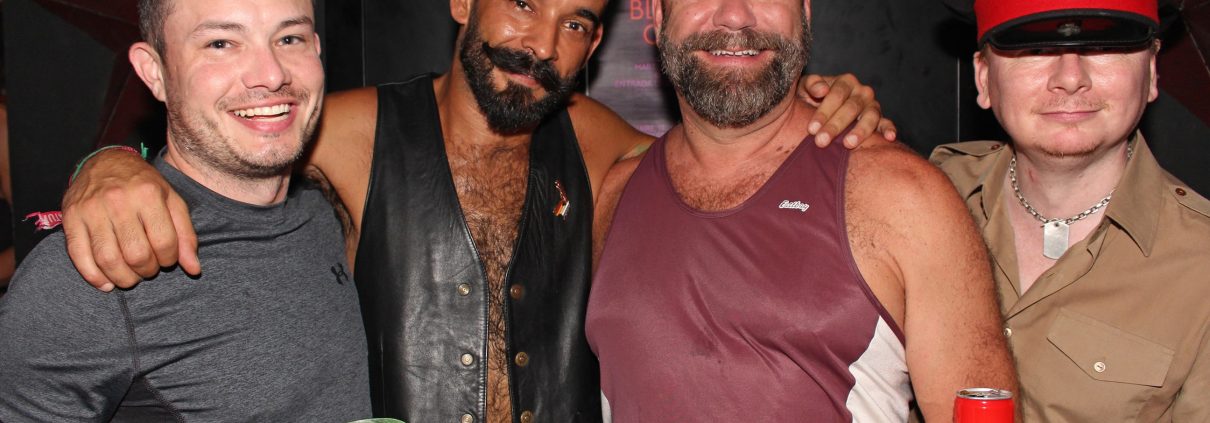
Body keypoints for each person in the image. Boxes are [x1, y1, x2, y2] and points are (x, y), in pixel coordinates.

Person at [59, 0, 895, 422]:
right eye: (523, 2)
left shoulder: (599, 143)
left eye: (577, 22)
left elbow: (729, 155)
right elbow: (222, 145)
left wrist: (817, 104)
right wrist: (107, 164)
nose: (544, 46)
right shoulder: (350, 131)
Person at [585, 0, 1017, 421]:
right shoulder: (615, 195)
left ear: (804, 14)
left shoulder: (904, 196)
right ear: (659, 15)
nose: (734, 14)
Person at [0, 0, 370, 420]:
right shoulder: (99, 265)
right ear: (154, 72)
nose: (271, 75)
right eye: (220, 43)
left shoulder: (332, 206)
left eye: (289, 38)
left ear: (316, 49)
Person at [929, 0, 1210, 420]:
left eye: (1104, 47)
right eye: (1036, 50)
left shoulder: (1200, 265)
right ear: (984, 78)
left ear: (1152, 72)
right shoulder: (920, 199)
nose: (1071, 78)